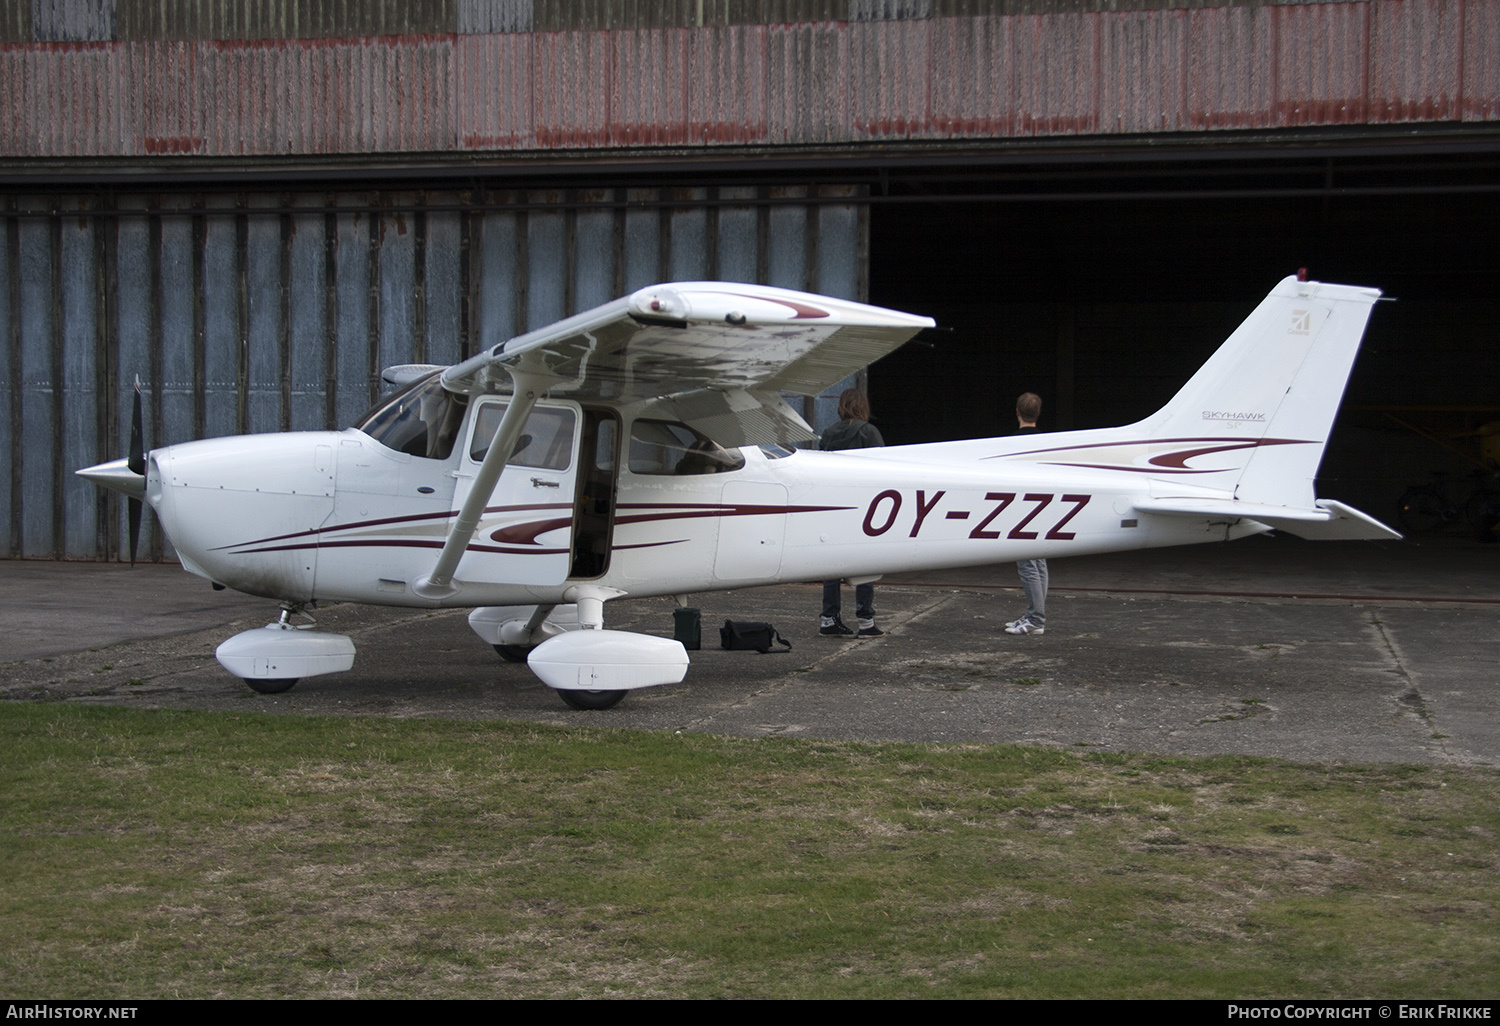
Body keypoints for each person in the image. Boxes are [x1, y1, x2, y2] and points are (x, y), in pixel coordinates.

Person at [819, 388, 885, 638]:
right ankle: (866, 620)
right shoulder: (869, 432)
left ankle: (829, 619)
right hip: (863, 505)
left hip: (834, 504)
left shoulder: (828, 433)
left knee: (832, 566)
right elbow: (881, 469)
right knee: (864, 562)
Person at [1006, 392, 1047, 636]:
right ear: (1037, 414)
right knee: (1039, 562)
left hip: (1022, 508)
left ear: (1018, 412)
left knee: (1027, 565)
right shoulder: (1047, 442)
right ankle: (1035, 614)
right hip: (1043, 505)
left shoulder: (1011, 443)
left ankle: (1036, 619)